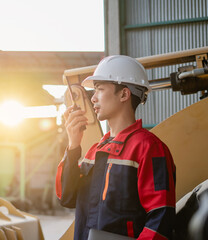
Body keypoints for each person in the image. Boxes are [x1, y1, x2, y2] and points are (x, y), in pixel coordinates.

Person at [56, 55, 176, 240]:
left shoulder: (149, 148)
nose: (93, 98)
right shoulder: (95, 151)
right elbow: (67, 197)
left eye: (100, 89)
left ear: (124, 94)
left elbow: (161, 217)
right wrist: (73, 145)